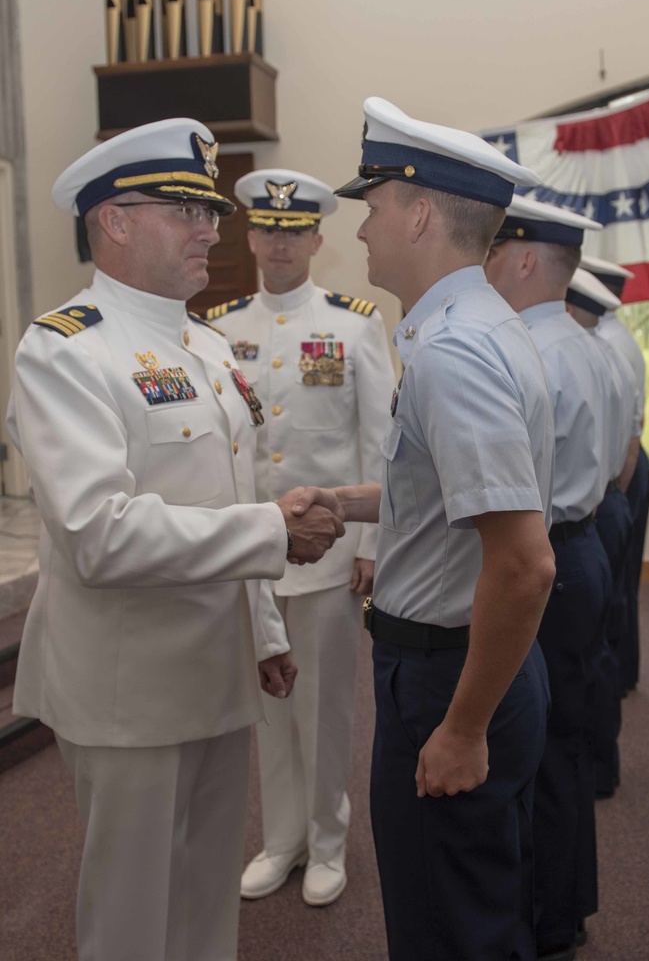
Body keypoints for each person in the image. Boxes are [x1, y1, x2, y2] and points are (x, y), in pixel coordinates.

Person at [5, 118, 342, 961]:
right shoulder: (65, 352)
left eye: (211, 213)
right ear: (114, 221)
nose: (211, 230)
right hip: (129, 690)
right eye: (185, 211)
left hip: (218, 668)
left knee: (203, 902)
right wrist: (274, 532)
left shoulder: (205, 343)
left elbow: (232, 488)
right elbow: (99, 536)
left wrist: (263, 631)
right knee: (130, 915)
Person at [290, 97, 556, 961]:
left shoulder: (452, 354)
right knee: (467, 902)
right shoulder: (476, 329)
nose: (361, 233)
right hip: (461, 662)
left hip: (451, 675)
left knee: (450, 926)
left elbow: (523, 566)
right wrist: (351, 498)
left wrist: (464, 728)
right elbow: (452, 496)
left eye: (370, 210)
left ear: (419, 211)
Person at [212, 169, 395, 906]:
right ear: (249, 236)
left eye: (295, 233)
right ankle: (281, 838)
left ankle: (326, 840)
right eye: (267, 230)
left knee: (321, 706)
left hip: (327, 552)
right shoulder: (219, 328)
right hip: (254, 551)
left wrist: (373, 543)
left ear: (318, 238)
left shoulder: (354, 324)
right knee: (269, 704)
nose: (280, 245)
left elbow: (380, 439)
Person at [485, 195, 612, 960]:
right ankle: (566, 905)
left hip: (550, 558)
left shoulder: (529, 348)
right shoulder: (579, 340)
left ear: (527, 259)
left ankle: (546, 917)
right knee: (566, 741)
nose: (489, 264)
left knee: (537, 747)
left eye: (498, 251)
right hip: (579, 548)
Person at [566, 268, 639, 800]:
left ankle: (592, 765)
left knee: (584, 656)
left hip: (585, 518)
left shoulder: (578, 356)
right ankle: (598, 763)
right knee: (598, 644)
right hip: (603, 505)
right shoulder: (604, 352)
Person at [584, 254, 649, 697]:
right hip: (624, 472)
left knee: (615, 586)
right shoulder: (611, 337)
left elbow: (627, 433)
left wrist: (616, 499)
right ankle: (622, 672)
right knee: (620, 581)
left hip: (622, 475)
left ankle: (619, 674)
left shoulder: (606, 343)